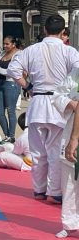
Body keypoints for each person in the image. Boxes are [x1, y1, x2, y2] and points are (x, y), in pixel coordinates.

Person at [8, 14, 79, 204]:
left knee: (38, 151)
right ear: (63, 32)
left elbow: (13, 70)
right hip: (59, 103)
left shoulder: (31, 50)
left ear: (45, 30)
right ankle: (55, 191)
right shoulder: (69, 52)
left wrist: (28, 86)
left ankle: (39, 190)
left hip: (38, 101)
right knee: (56, 151)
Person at [52, 67, 79, 238]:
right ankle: (69, 223)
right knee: (69, 179)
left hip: (74, 134)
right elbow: (57, 96)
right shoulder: (75, 73)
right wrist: (72, 104)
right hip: (72, 128)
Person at [0, 36, 21, 142]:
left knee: (11, 111)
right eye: (4, 44)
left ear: (13, 44)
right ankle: (6, 135)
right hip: (0, 83)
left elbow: (11, 71)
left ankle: (11, 135)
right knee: (0, 112)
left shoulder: (18, 55)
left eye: (7, 44)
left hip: (11, 84)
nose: (5, 46)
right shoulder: (3, 54)